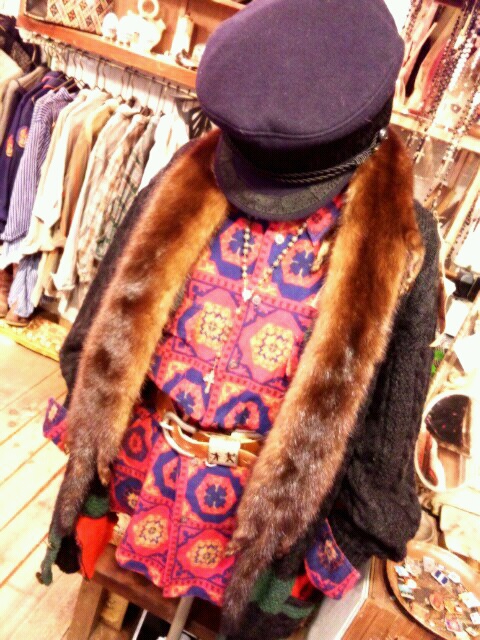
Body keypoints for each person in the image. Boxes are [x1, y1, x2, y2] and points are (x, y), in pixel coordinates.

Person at [39, 1, 440, 638]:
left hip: (255, 526)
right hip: (143, 476)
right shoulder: (187, 175)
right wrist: (87, 482)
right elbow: (100, 333)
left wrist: (333, 546)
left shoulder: (401, 238)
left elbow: (389, 427)